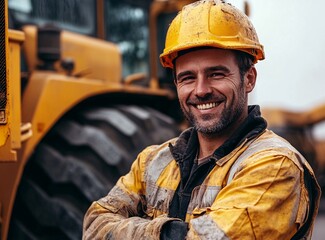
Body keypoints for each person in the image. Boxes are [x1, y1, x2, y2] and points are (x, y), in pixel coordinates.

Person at [83, 0, 321, 239]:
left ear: (249, 79)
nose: (200, 90)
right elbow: (94, 226)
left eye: (216, 74)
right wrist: (168, 232)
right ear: (176, 84)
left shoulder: (275, 166)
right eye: (187, 77)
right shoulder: (152, 161)